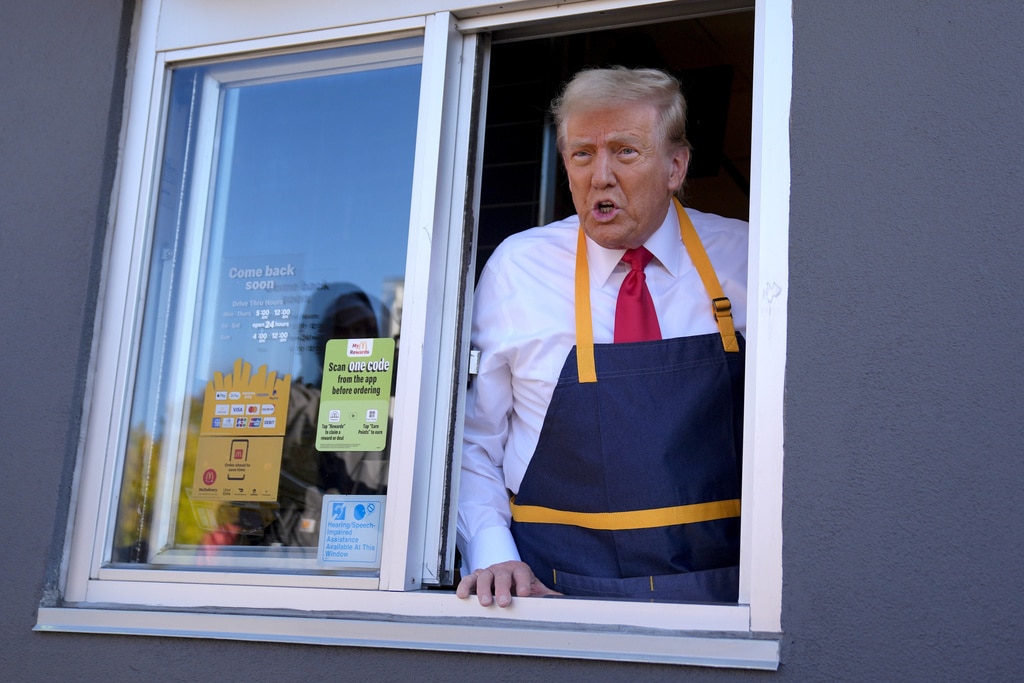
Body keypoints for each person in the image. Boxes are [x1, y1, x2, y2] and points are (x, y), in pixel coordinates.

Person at [456, 67, 748, 606]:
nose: (601, 176)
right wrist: (493, 553)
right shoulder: (517, 269)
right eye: (582, 154)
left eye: (625, 151)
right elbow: (473, 438)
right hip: (552, 593)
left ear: (676, 166)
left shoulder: (748, 257)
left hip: (723, 597)